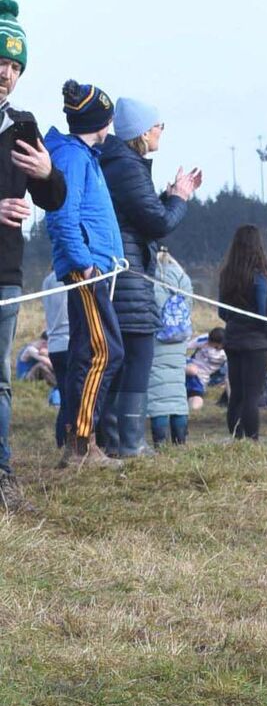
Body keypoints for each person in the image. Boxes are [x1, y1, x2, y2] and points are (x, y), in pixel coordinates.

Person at [99, 98, 201, 456]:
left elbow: (141, 215)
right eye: (159, 125)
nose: (161, 131)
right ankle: (128, 441)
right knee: (139, 352)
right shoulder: (128, 167)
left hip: (123, 267)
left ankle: (116, 439)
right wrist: (181, 199)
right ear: (143, 131)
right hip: (128, 276)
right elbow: (158, 223)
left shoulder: (122, 164)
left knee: (125, 356)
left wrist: (167, 196)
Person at [0, 0, 67, 510]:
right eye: (1, 61)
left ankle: (2, 475)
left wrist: (47, 174)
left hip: (5, 271)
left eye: (15, 66)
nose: (6, 73)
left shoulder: (22, 124)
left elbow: (54, 198)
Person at [45, 81, 125, 468]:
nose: (109, 130)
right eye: (107, 122)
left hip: (94, 268)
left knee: (85, 352)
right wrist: (86, 263)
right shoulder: (74, 159)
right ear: (99, 121)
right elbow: (62, 216)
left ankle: (79, 444)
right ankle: (81, 445)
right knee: (104, 351)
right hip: (86, 271)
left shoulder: (83, 156)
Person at [218, 225, 267, 440]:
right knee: (252, 396)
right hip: (256, 343)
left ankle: (237, 438)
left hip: (233, 339)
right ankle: (252, 440)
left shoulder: (226, 276)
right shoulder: (260, 277)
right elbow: (263, 313)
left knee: (237, 395)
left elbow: (222, 312)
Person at [147, 246, 193, 446]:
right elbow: (189, 305)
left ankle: (159, 441)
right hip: (178, 338)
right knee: (177, 390)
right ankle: (180, 440)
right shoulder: (182, 277)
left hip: (155, 338)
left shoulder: (147, 275)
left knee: (157, 392)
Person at [43, 270, 70, 448]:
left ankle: (61, 442)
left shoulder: (47, 281)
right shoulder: (71, 276)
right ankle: (73, 442)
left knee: (65, 398)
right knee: (77, 398)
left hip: (54, 345)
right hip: (71, 342)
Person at [185, 327, 227, 410]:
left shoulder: (228, 350)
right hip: (190, 367)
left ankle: (185, 401)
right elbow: (184, 347)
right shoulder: (203, 340)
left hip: (201, 378)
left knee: (195, 406)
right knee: (192, 371)